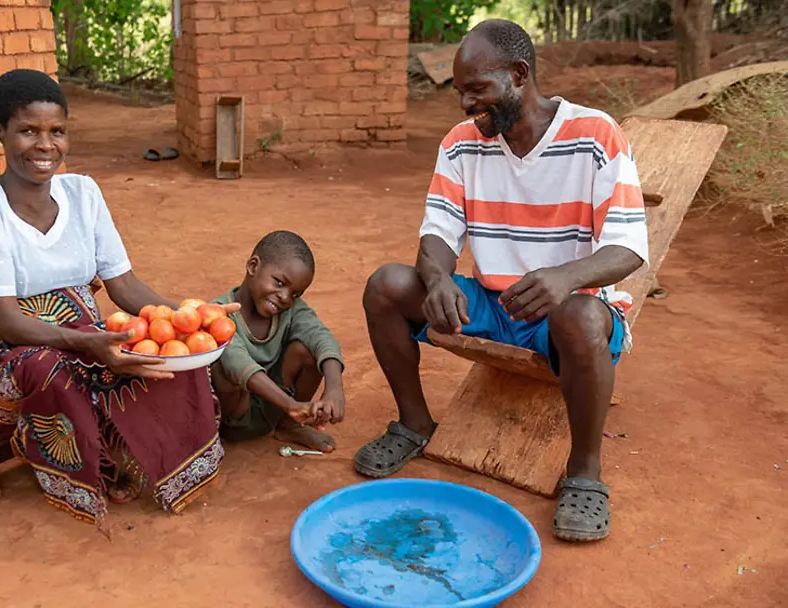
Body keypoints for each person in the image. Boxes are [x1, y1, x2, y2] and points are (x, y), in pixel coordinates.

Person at [354, 20, 648, 543]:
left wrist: (565, 277)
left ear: (519, 74)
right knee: (386, 285)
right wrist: (439, 278)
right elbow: (438, 232)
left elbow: (628, 247)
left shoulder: (596, 135)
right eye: (461, 91)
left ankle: (584, 474)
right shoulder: (462, 144)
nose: (466, 104)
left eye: (478, 89)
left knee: (579, 315)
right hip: (491, 304)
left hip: (567, 313)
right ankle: (414, 424)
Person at [0, 69, 237, 535]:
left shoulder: (83, 193)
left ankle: (128, 445)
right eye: (28, 131)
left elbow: (124, 287)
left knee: (159, 356)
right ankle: (94, 457)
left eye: (56, 131)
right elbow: (6, 320)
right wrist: (90, 345)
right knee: (48, 367)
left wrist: (193, 319)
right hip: (6, 368)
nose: (45, 145)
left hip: (87, 343)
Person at [210, 231, 346, 453]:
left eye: (295, 293)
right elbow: (239, 364)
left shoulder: (292, 310)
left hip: (277, 408)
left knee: (308, 348)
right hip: (234, 420)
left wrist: (334, 388)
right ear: (253, 266)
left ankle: (289, 426)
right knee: (223, 365)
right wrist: (290, 405)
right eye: (280, 282)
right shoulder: (219, 314)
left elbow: (321, 336)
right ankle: (237, 434)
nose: (285, 297)